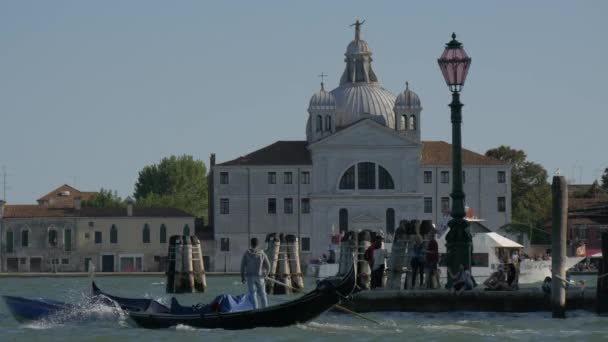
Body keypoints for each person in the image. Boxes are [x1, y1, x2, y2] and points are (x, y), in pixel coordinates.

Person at [240, 237, 271, 309]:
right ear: (258, 244)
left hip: (250, 278)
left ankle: (255, 310)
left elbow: (242, 266)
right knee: (263, 294)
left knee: (253, 294)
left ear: (251, 244)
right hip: (260, 277)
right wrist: (266, 274)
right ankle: (265, 309)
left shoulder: (246, 254)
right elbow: (268, 266)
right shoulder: (262, 253)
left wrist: (243, 277)